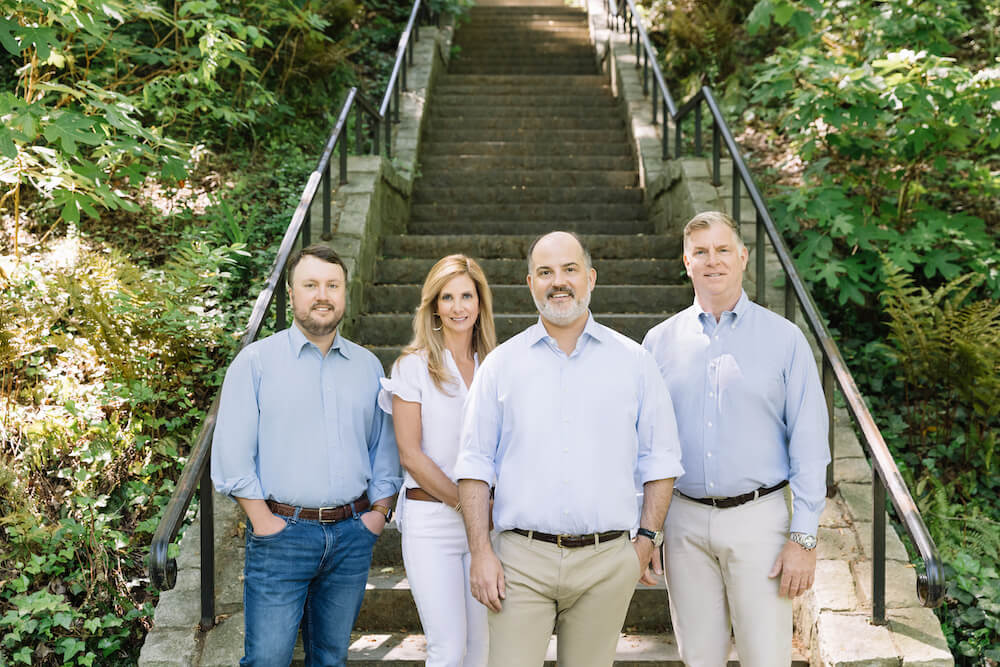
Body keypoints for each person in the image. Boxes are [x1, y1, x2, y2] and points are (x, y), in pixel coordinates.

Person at [455, 231, 685, 667]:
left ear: (591, 278)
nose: (557, 281)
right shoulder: (501, 364)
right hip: (520, 562)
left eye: (569, 269)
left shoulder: (633, 362)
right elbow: (474, 464)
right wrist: (481, 553)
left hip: (606, 563)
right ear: (530, 284)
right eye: (545, 272)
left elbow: (661, 460)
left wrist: (645, 542)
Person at [641, 211, 830, 667]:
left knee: (765, 657)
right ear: (686, 262)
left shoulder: (785, 340)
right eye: (701, 252)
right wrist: (646, 530)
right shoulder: (657, 343)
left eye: (723, 249)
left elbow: (809, 444)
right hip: (683, 522)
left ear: (743, 257)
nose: (713, 261)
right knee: (698, 657)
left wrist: (803, 538)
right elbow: (644, 445)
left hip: (759, 521)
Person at [211, 244, 402, 667]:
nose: (323, 294)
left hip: (353, 535)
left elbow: (384, 449)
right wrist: (263, 522)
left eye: (333, 285)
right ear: (292, 295)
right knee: (267, 660)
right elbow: (231, 454)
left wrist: (379, 513)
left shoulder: (368, 366)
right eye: (311, 284)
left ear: (344, 294)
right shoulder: (256, 362)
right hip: (282, 536)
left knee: (331, 659)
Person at [378, 254, 497, 666]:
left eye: (467, 295)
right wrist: (467, 505)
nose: (459, 306)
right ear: (434, 306)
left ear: (481, 302)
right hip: (432, 523)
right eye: (448, 297)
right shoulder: (412, 367)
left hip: (490, 526)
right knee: (448, 649)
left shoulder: (495, 366)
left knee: (483, 650)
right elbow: (411, 455)